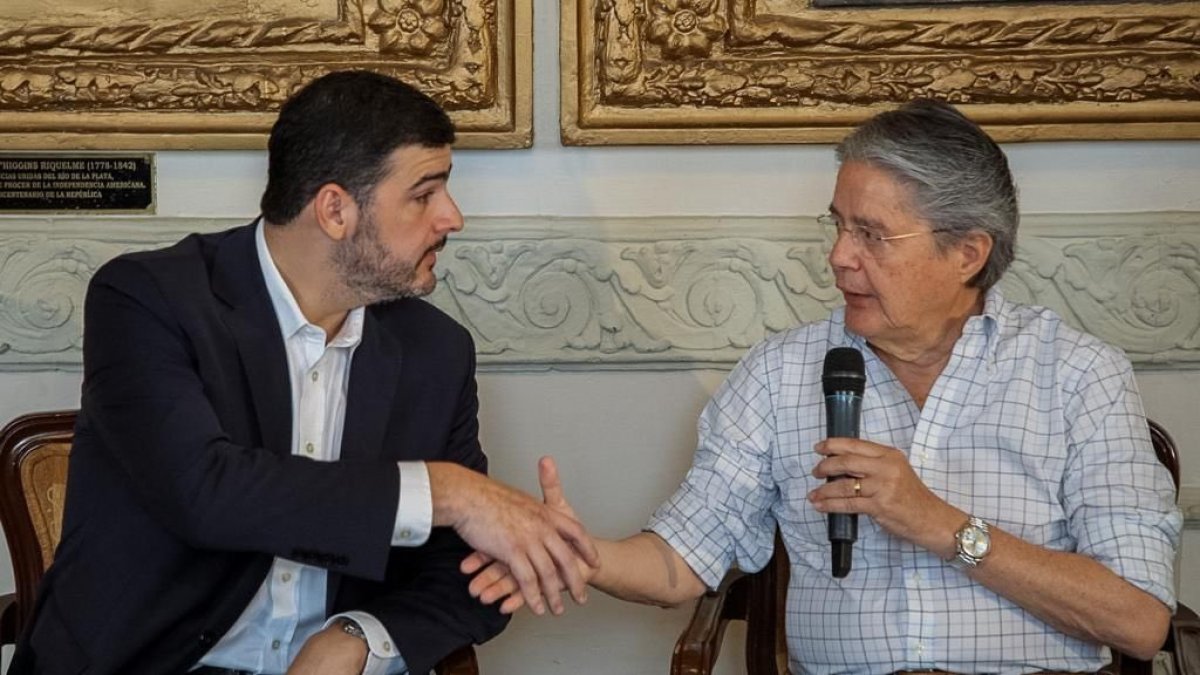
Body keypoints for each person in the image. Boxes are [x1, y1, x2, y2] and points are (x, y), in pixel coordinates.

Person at [465, 99, 1183, 673]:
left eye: (872, 234)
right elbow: (681, 560)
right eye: (838, 226)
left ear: (967, 253)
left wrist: (937, 524)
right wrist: (573, 551)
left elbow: (1140, 620)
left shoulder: (1078, 375)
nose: (839, 257)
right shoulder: (782, 373)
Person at [10, 70, 597, 675]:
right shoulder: (147, 299)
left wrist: (360, 636)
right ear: (335, 210)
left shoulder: (435, 350)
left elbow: (464, 570)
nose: (452, 218)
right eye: (424, 194)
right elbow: (203, 493)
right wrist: (448, 491)